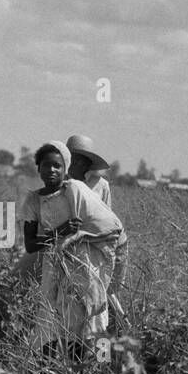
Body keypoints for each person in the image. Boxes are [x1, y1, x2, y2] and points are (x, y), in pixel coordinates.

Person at [22, 140, 124, 359]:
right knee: (51, 316)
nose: (51, 170)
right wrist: (59, 232)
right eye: (46, 165)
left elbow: (110, 225)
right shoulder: (33, 200)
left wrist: (84, 239)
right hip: (55, 265)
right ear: (38, 168)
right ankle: (49, 371)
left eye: (57, 166)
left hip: (85, 262)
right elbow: (30, 245)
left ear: (64, 169)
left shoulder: (76, 189)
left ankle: (100, 368)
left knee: (95, 313)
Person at [66, 134, 128, 326]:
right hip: (74, 249)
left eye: (81, 159)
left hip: (103, 247)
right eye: (72, 157)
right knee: (76, 300)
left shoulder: (101, 185)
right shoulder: (60, 182)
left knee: (104, 294)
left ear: (88, 162)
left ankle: (121, 335)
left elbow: (107, 221)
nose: (76, 163)